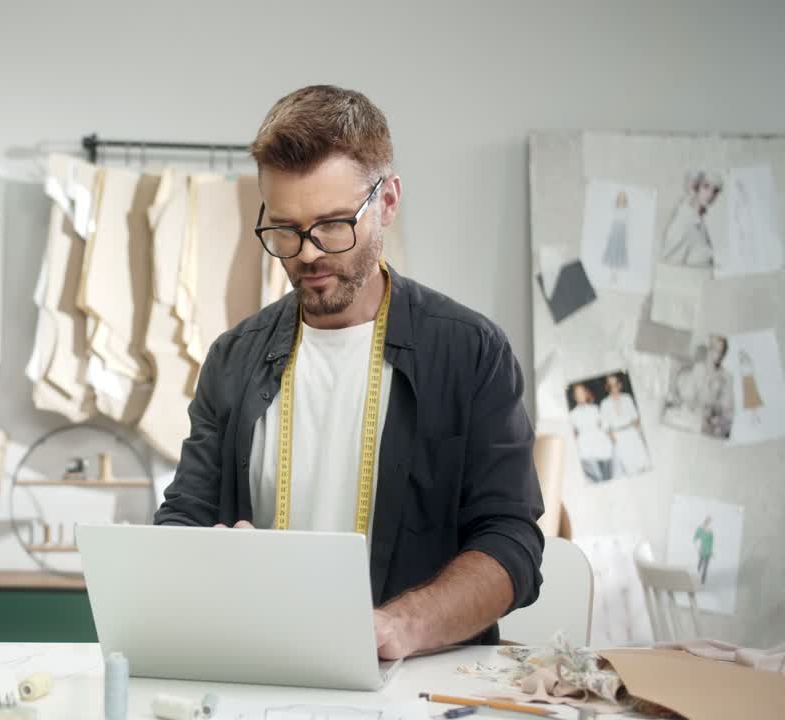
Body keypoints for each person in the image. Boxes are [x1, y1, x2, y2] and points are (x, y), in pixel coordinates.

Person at [154, 85, 544, 660]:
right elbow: (184, 516)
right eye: (285, 229)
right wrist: (200, 555)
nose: (307, 254)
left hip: (418, 685)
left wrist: (402, 625)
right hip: (265, 667)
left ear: (387, 202)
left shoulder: (470, 352)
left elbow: (512, 542)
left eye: (333, 225)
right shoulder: (233, 358)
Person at [660, 171, 722, 268]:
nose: (711, 194)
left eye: (715, 190)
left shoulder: (699, 221)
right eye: (706, 186)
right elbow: (668, 265)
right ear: (694, 187)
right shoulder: (683, 221)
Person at [599, 374, 650, 476]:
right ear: (607, 387)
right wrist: (610, 435)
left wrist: (637, 428)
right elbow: (604, 425)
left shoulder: (627, 398)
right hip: (618, 436)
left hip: (632, 433)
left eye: (616, 384)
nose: (614, 387)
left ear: (620, 385)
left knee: (642, 462)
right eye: (610, 385)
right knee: (628, 467)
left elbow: (635, 416)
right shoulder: (604, 403)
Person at [569, 384, 613, 483]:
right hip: (585, 447)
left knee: (608, 477)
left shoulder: (595, 408)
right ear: (574, 397)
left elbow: (604, 425)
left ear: (586, 393)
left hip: (601, 444)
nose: (580, 395)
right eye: (577, 393)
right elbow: (573, 433)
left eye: (582, 392)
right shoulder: (572, 414)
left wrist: (609, 436)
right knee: (597, 477)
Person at [602, 191, 630, 284]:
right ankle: (612, 274)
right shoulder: (614, 208)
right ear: (618, 199)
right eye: (620, 197)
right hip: (615, 230)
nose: (621, 199)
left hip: (621, 232)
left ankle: (616, 274)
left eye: (623, 198)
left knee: (619, 251)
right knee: (613, 250)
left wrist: (625, 234)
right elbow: (612, 220)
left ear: (625, 199)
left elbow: (626, 222)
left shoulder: (627, 210)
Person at [739, 349, 763, 425]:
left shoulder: (748, 362)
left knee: (753, 398)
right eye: (740, 356)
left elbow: (752, 370)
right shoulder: (741, 364)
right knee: (750, 400)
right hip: (745, 381)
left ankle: (756, 416)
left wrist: (750, 376)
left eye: (742, 355)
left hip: (750, 379)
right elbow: (741, 374)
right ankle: (754, 417)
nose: (741, 357)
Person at [693, 516, 715, 585]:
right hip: (702, 551)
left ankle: (702, 582)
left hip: (708, 552)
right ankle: (695, 579)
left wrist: (711, 552)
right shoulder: (700, 529)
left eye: (710, 522)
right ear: (705, 521)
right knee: (699, 566)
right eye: (708, 521)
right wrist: (697, 547)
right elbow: (695, 538)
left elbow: (711, 543)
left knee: (705, 567)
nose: (708, 523)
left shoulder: (710, 533)